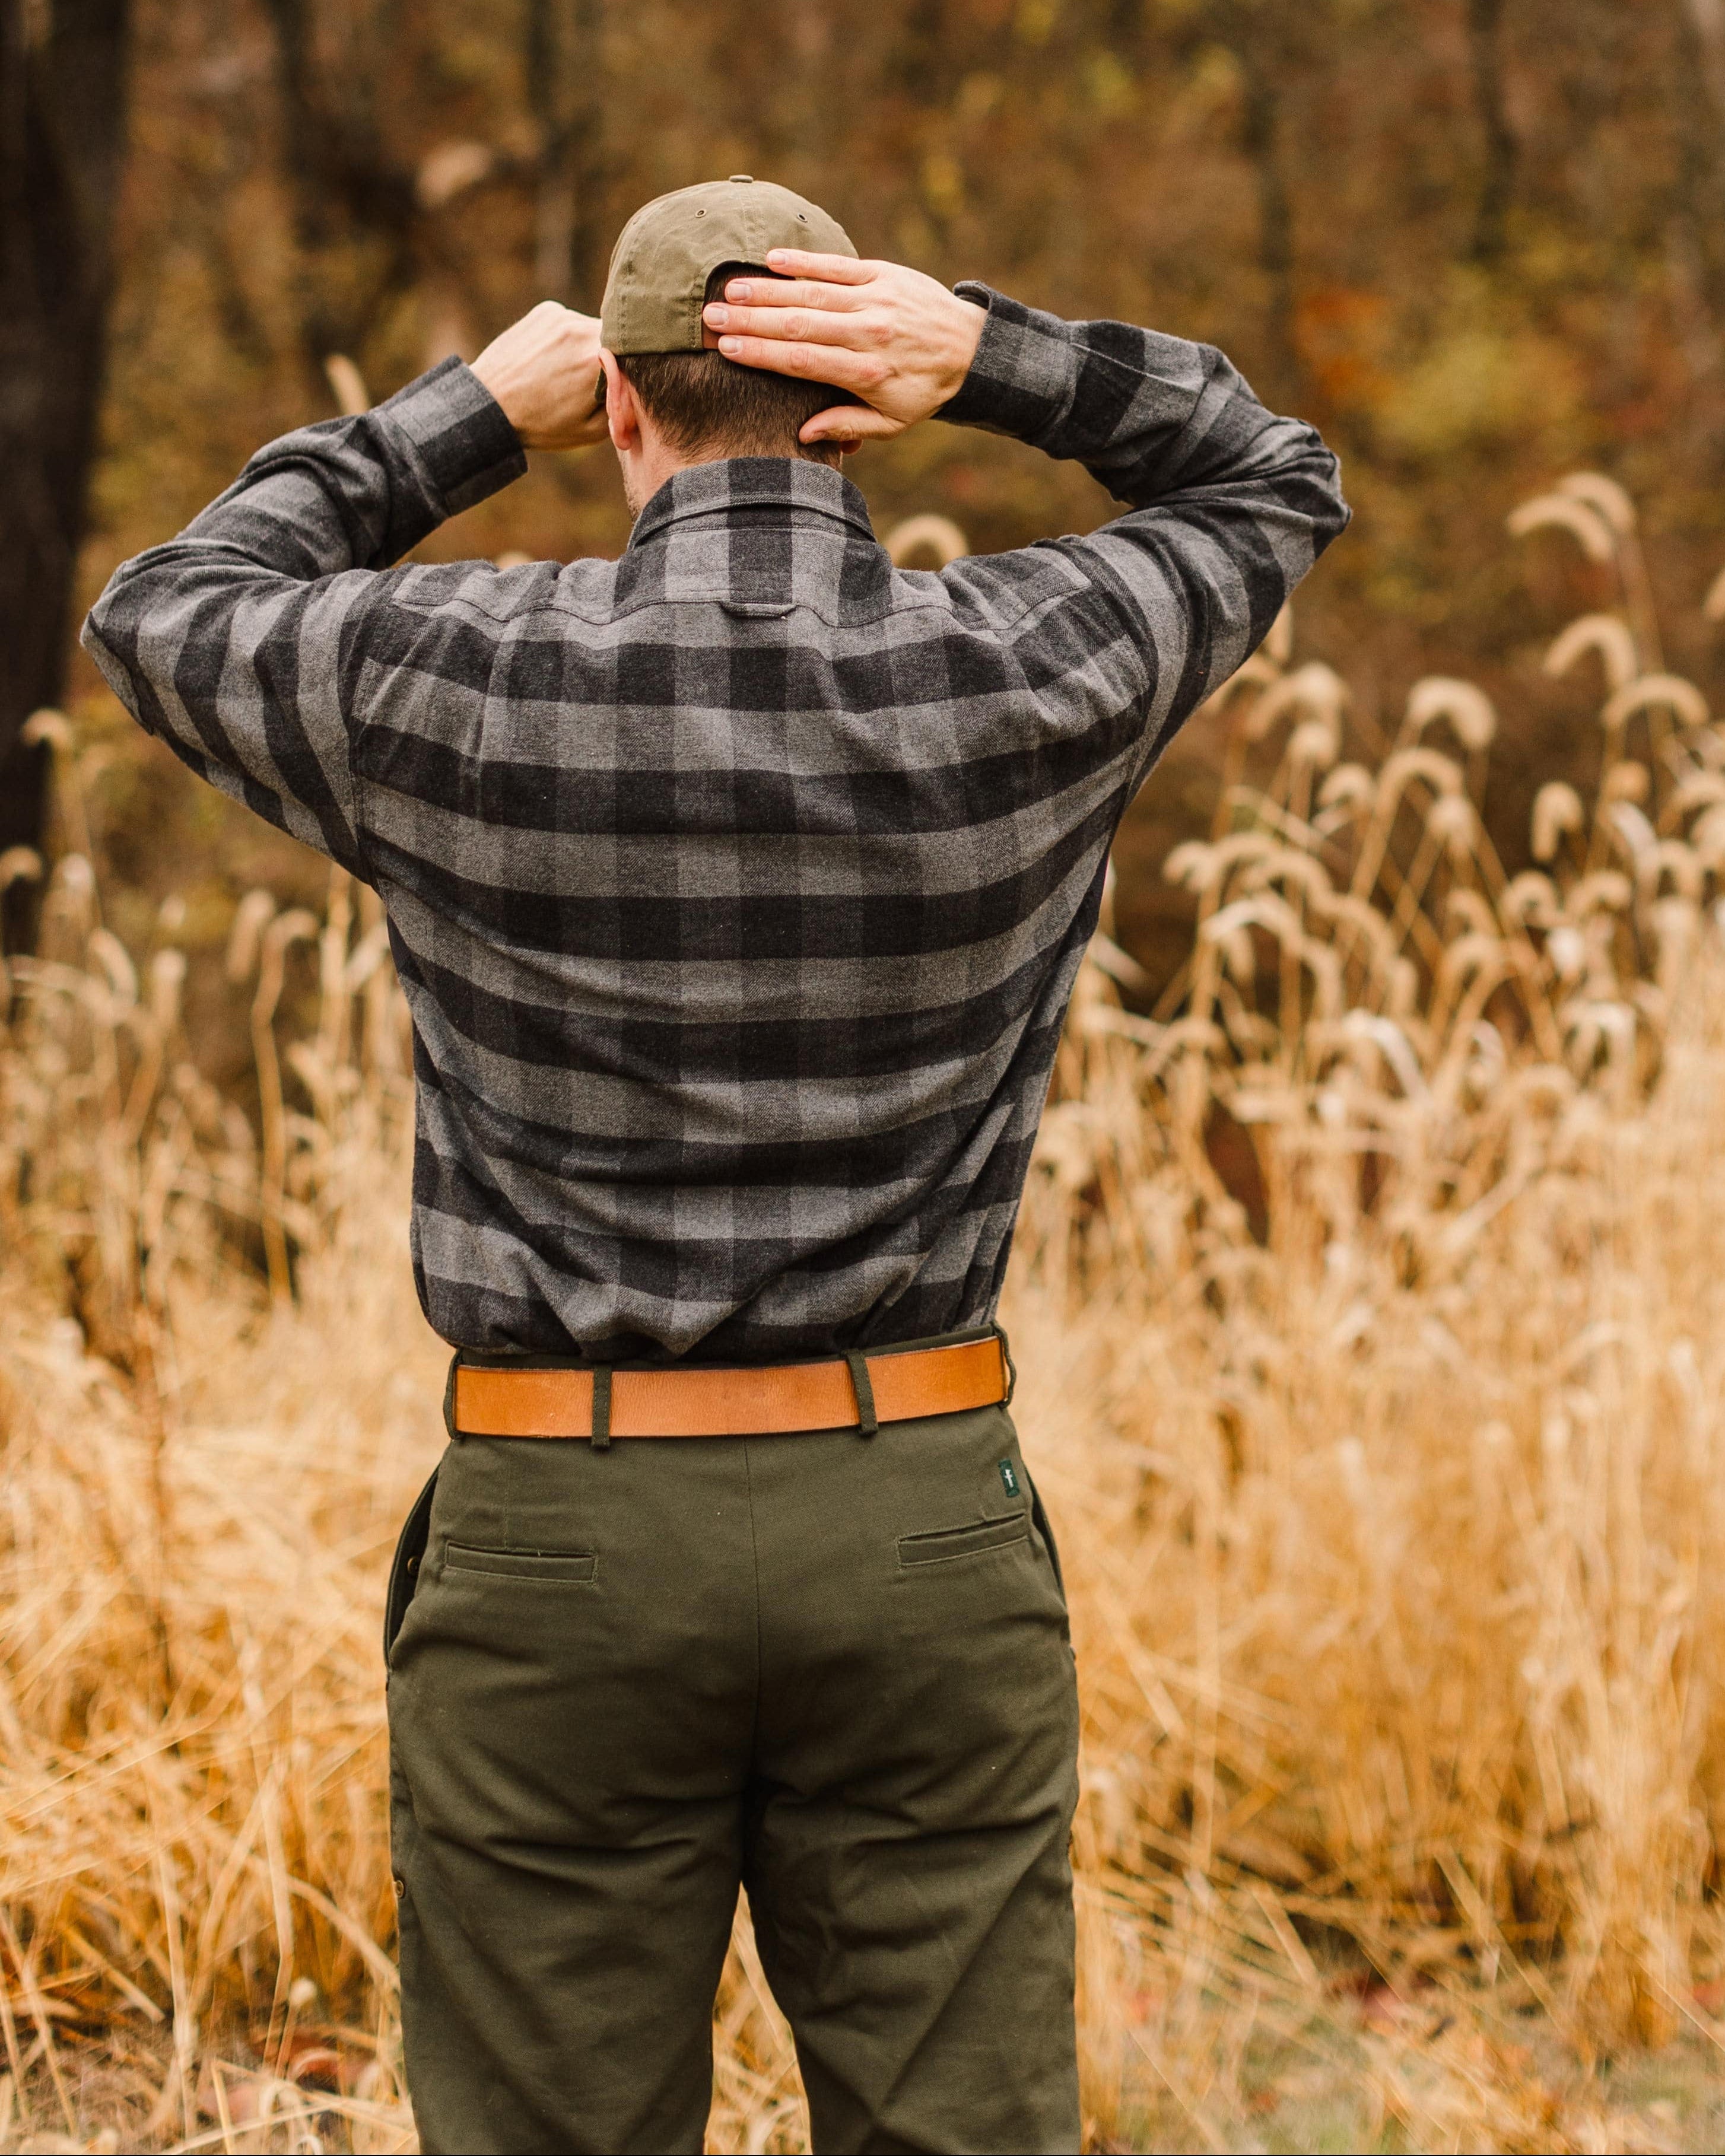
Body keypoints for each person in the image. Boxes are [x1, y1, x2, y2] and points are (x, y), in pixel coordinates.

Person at [83, 176, 1347, 2155]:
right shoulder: (1025, 661)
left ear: (621, 415)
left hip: (560, 1531)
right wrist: (999, 360)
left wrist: (457, 420)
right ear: (854, 403)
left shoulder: (455, 675)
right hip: (915, 1516)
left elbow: (160, 608)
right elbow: (1270, 484)